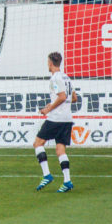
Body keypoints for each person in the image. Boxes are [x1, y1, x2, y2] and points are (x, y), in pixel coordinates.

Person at [33, 52, 77, 193]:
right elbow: (74, 98)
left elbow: (62, 97)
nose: (47, 64)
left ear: (51, 63)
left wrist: (49, 109)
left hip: (56, 119)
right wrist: (52, 104)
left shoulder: (55, 79)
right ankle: (67, 181)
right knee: (60, 150)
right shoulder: (66, 78)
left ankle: (47, 175)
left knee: (38, 143)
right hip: (67, 119)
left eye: (47, 61)